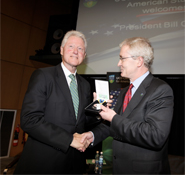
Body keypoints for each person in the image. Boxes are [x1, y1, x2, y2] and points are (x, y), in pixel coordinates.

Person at [81, 37, 174, 174]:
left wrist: (113, 118)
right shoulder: (125, 91)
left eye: (122, 58)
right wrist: (92, 135)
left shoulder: (160, 90)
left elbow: (155, 136)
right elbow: (114, 126)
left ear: (139, 61)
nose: (119, 63)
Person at [14, 30, 97, 174]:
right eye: (71, 46)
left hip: (74, 164)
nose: (76, 52)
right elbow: (29, 119)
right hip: (43, 164)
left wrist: (96, 110)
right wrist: (69, 139)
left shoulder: (85, 85)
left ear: (84, 55)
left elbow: (81, 122)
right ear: (62, 49)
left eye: (80, 49)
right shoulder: (43, 76)